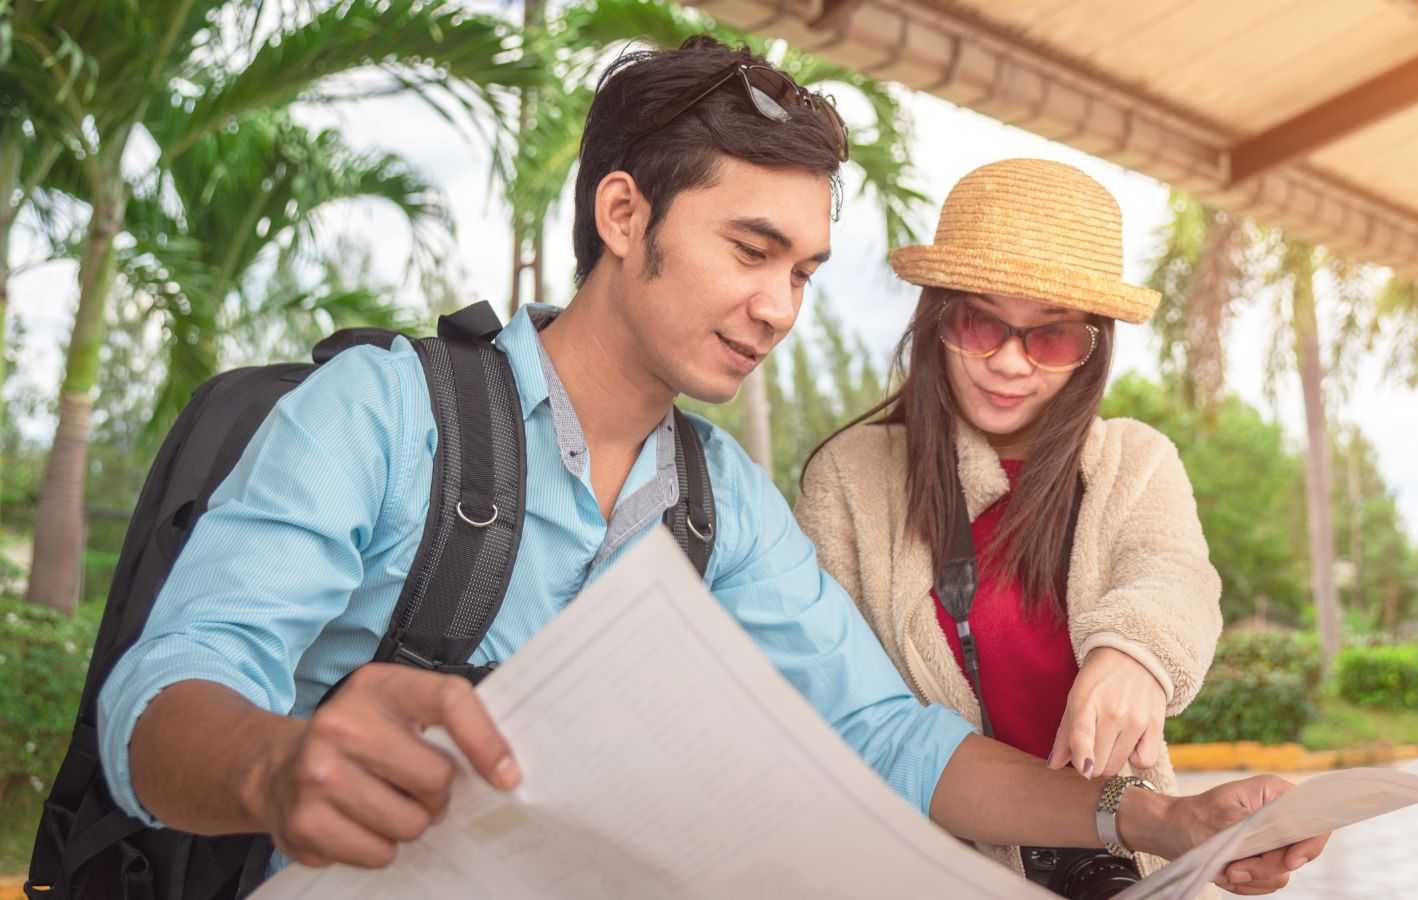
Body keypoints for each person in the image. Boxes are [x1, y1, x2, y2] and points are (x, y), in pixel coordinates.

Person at [98, 37, 1324, 891]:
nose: (780, 305)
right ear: (624, 217)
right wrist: (271, 767)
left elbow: (886, 737)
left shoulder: (720, 500)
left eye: (801, 269)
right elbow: (168, 689)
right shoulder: (376, 410)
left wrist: (1153, 819)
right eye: (750, 248)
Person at [794, 157, 1236, 893]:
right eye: (978, 323)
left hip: (1122, 871)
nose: (1008, 363)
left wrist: (1137, 652)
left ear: (1093, 348)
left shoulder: (1135, 460)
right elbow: (835, 713)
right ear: (937, 318)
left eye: (1051, 337)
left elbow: (1175, 574)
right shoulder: (851, 476)